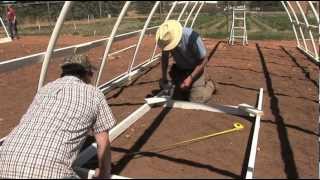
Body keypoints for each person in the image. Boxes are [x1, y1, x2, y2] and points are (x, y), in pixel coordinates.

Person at [0, 54, 116, 179]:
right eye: (91, 74)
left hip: (4, 161)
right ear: (86, 73)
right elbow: (102, 141)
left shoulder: (45, 89)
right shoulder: (94, 94)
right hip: (49, 171)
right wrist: (104, 174)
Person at [156, 20, 216, 103]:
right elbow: (165, 58)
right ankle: (188, 88)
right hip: (181, 69)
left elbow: (204, 59)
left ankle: (210, 85)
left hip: (196, 69)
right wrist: (164, 77)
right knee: (177, 98)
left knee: (196, 101)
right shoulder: (166, 40)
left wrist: (190, 78)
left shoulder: (192, 37)